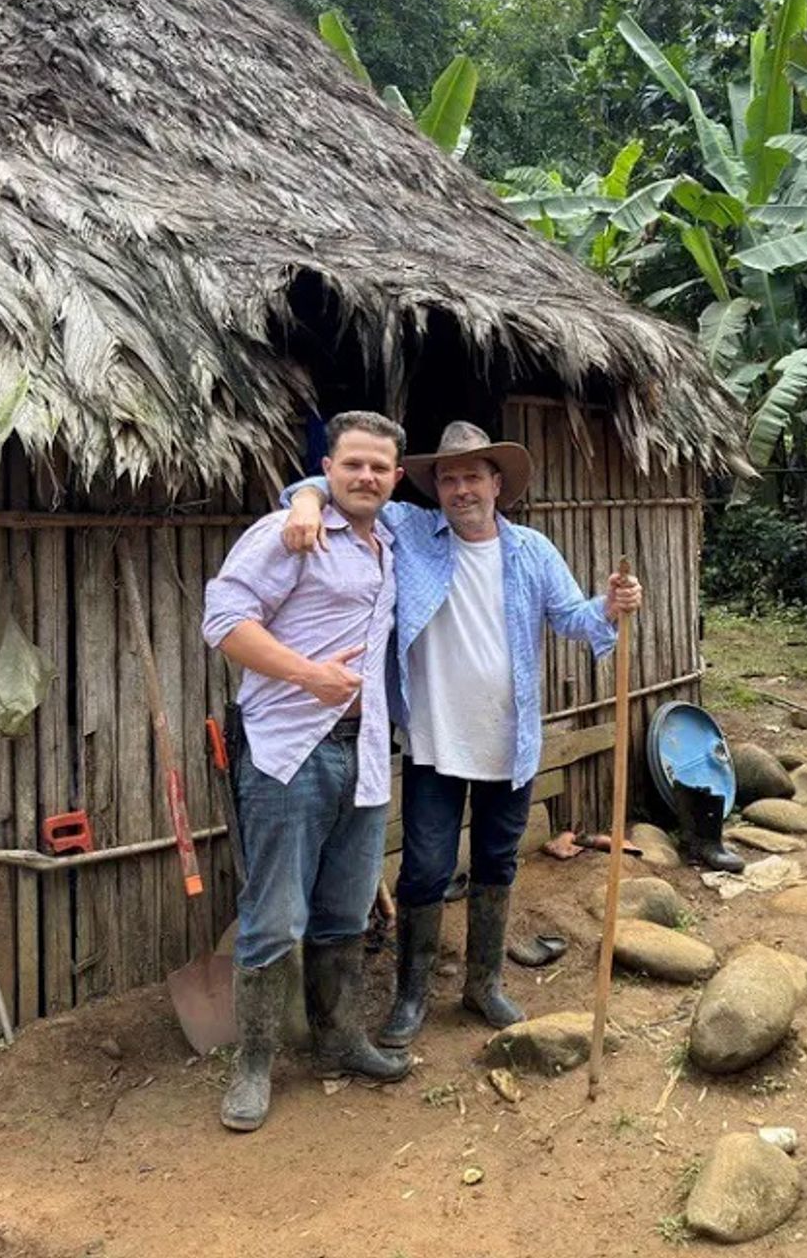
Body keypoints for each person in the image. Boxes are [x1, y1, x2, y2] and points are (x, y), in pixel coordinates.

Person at [282, 420, 642, 1046]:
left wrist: (610, 606)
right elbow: (335, 490)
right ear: (435, 489)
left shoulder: (532, 551)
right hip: (435, 742)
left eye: (473, 476)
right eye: (448, 479)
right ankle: (411, 996)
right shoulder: (412, 531)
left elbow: (574, 619)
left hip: (510, 741)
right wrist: (307, 501)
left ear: (497, 484)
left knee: (497, 862)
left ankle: (483, 985)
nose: (460, 489)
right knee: (425, 869)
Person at [202, 411, 414, 1132]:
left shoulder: (391, 543)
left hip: (367, 750)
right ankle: (254, 1065)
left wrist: (309, 495)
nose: (366, 477)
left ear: (397, 477)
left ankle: (339, 1040)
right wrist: (307, 675)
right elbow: (224, 620)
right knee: (274, 916)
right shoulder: (288, 532)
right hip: (290, 749)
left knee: (345, 910)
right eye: (351, 464)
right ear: (327, 466)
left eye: (379, 467)